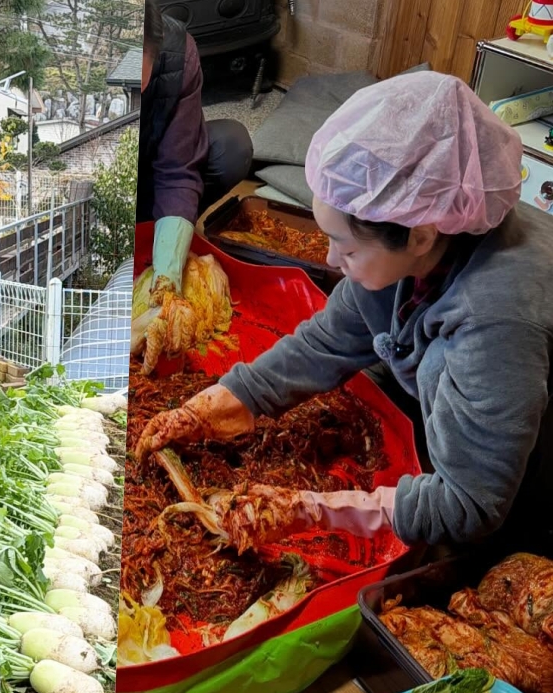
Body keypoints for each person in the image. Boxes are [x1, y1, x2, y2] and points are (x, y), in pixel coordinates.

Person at [137, 70, 553, 550]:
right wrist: (220, 402)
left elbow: (470, 503)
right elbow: (329, 340)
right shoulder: (419, 232)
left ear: (420, 235)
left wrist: (311, 508)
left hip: (526, 455)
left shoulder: (495, 321)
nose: (331, 261)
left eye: (345, 248)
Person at [135, 0, 253, 309]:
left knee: (230, 146)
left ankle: (160, 233)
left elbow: (177, 169)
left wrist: (167, 277)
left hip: (147, 174)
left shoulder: (178, 53)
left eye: (135, 81)